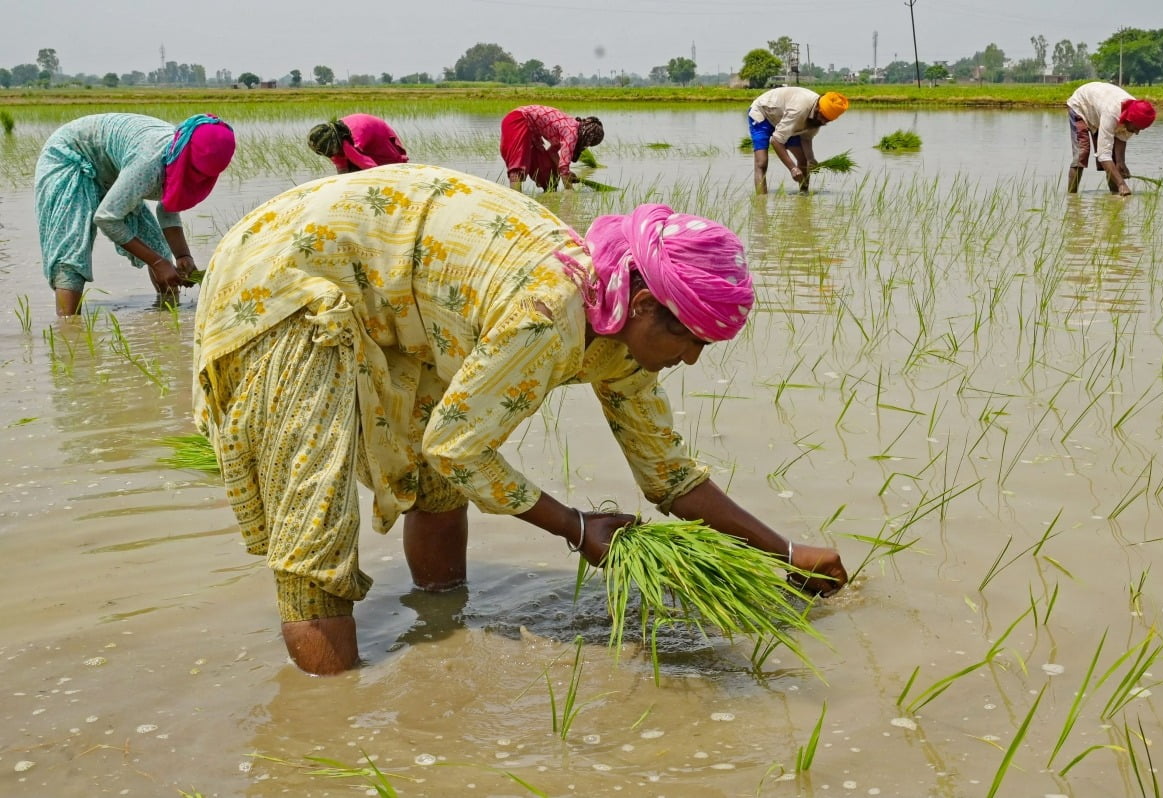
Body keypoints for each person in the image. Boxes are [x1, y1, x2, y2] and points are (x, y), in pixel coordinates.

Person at [192, 163, 848, 676]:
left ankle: (440, 618)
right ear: (646, 306)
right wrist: (575, 526)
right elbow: (460, 445)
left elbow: (668, 474)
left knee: (435, 483)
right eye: (693, 341)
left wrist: (786, 555)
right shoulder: (550, 312)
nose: (695, 360)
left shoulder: (623, 337)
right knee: (317, 535)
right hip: (286, 276)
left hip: (390, 294)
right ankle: (330, 732)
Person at [35, 112, 236, 316]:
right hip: (70, 156)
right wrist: (157, 263)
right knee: (71, 255)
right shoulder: (150, 162)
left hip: (112, 168)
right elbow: (107, 218)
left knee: (157, 246)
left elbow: (169, 205)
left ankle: (168, 318)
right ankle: (69, 332)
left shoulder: (182, 155)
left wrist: (182, 255)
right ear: (186, 158)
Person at [748, 87, 849, 194]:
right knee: (762, 162)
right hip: (763, 114)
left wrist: (811, 158)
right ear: (817, 108)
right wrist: (792, 168)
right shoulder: (799, 110)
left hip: (785, 120)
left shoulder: (817, 119)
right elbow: (776, 141)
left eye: (827, 120)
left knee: (803, 160)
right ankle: (761, 202)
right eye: (822, 117)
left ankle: (804, 195)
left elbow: (806, 138)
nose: (823, 122)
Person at [1065, 82, 1156, 196]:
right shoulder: (1112, 113)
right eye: (1136, 128)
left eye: (1140, 129)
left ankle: (1115, 194)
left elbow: (1121, 137)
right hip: (1081, 105)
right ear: (1128, 119)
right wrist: (1122, 184)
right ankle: (1071, 197)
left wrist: (1121, 162)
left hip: (1098, 109)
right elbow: (1103, 155)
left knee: (1113, 159)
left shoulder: (1136, 112)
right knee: (1082, 153)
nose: (1137, 133)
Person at [499, 105, 604, 192]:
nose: (585, 146)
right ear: (587, 137)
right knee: (518, 165)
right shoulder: (572, 132)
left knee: (547, 171)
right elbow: (563, 167)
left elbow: (552, 152)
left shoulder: (569, 129)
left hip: (532, 132)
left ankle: (549, 196)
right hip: (518, 120)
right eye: (588, 144)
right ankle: (516, 198)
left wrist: (567, 173)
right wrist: (570, 192)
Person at [306, 114, 408, 174]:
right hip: (363, 130)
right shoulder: (334, 140)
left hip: (379, 135)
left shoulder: (349, 145)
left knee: (391, 169)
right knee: (353, 171)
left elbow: (371, 168)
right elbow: (341, 166)